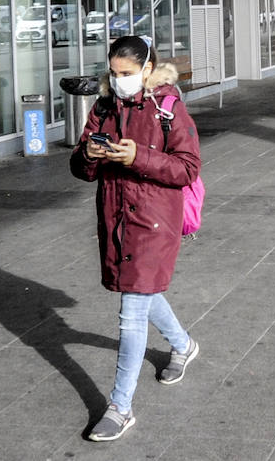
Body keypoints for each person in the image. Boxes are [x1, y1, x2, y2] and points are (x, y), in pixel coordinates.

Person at [70, 35, 201, 442]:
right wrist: (90, 154)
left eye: (126, 73)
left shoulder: (168, 107)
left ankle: (119, 407)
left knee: (131, 311)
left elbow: (188, 167)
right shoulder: (104, 106)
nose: (118, 79)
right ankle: (183, 344)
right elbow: (78, 165)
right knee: (139, 290)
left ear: (146, 69)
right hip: (115, 218)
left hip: (155, 221)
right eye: (113, 72)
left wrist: (137, 157)